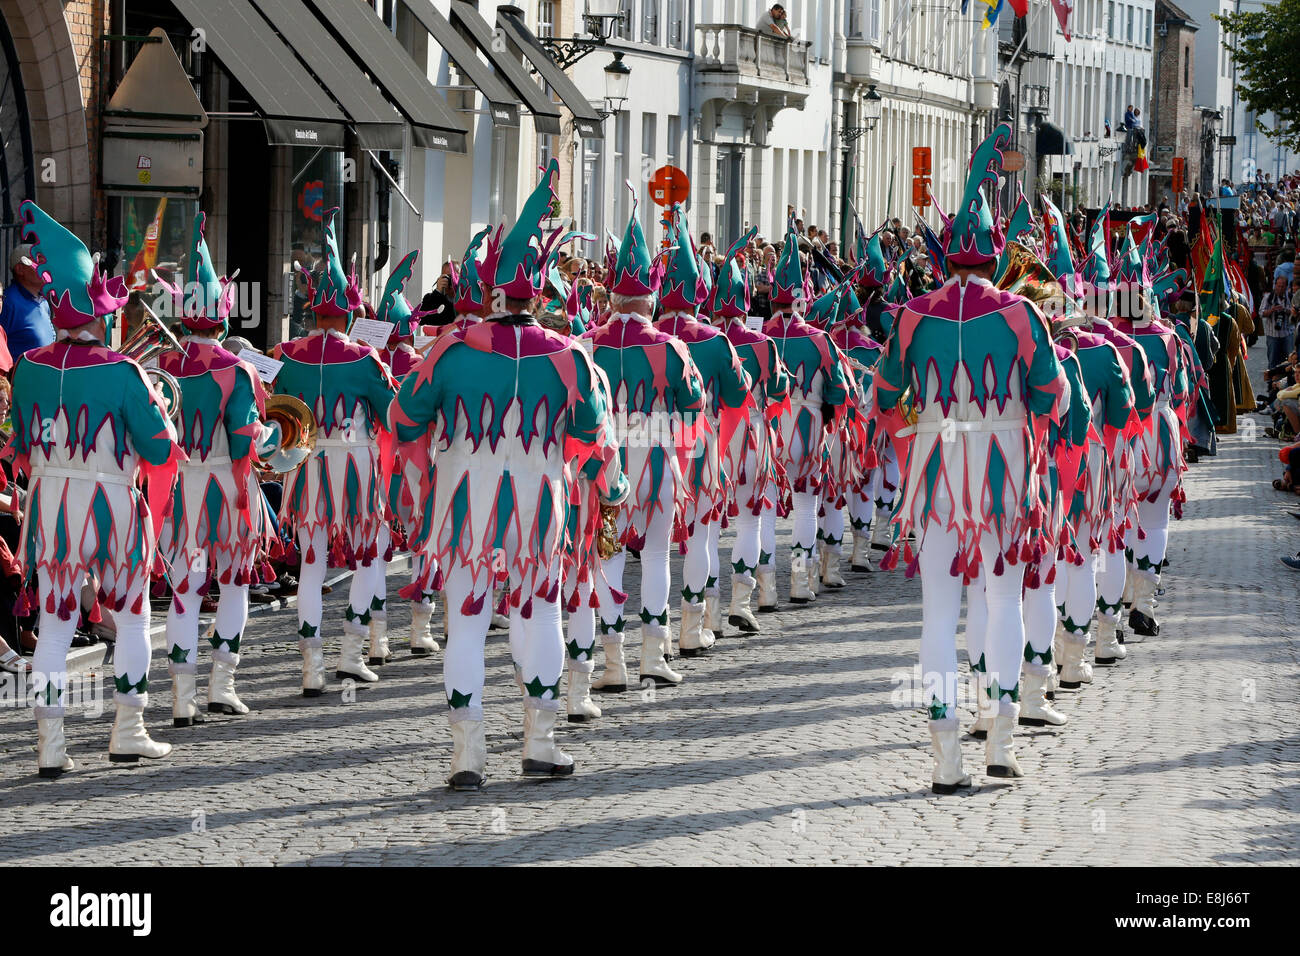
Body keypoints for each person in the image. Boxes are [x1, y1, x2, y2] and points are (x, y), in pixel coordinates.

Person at [390, 160, 628, 789]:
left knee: (464, 621)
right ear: (540, 293)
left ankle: (467, 755)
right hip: (540, 504)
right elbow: (592, 435)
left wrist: (431, 456)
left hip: (462, 504)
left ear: (490, 290)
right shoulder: (570, 358)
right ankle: (540, 744)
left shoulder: (450, 352)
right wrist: (614, 489)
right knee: (540, 614)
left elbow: (404, 415)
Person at [870, 124, 1068, 792]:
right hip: (1005, 474)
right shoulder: (1020, 315)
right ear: (994, 257)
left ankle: (946, 756)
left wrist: (916, 441)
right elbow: (1052, 396)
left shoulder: (910, 316)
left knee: (937, 614)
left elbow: (884, 397)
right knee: (1004, 601)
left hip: (936, 476)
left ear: (946, 257)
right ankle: (1003, 739)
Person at [13, 200, 185, 777]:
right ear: (97, 314)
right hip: (110, 502)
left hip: (50, 503)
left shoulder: (30, 367)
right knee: (133, 616)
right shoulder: (122, 370)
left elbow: (18, 439)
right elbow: (160, 450)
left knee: (58, 619)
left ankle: (50, 744)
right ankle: (128, 730)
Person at [271, 208, 399, 696]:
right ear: (348, 313)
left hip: (306, 462)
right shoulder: (366, 357)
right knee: (368, 556)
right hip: (355, 463)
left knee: (312, 561)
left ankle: (311, 667)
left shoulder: (287, 355)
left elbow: (273, 409)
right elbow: (391, 416)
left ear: (312, 312)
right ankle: (351, 653)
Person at [155, 212, 273, 726]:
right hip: (228, 484)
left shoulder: (162, 360)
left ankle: (181, 699)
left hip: (180, 483)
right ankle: (222, 686)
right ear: (223, 318)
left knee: (185, 586)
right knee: (236, 581)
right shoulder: (236, 368)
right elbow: (248, 439)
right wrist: (273, 440)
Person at [586, 186, 704, 689]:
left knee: (608, 555)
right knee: (656, 554)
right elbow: (694, 403)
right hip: (655, 455)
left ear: (612, 298)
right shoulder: (671, 346)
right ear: (651, 298)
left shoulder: (586, 342)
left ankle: (611, 662)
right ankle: (652, 656)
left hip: (608, 460)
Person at [654, 205, 751, 655]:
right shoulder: (715, 341)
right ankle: (693, 627)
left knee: (633, 545)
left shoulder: (649, 336)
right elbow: (736, 396)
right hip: (700, 444)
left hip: (645, 444)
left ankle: (629, 645)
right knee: (700, 533)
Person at [762, 229, 850, 606]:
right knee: (805, 506)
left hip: (765, 430)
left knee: (762, 509)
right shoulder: (820, 340)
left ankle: (763, 590)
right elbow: (839, 392)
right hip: (808, 431)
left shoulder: (755, 338)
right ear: (801, 299)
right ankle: (800, 581)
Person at [0, 243, 54, 357]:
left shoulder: (43, 302)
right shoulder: (7, 302)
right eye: (38, 261)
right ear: (20, 269)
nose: (45, 267)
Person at [1261, 274, 1294, 368]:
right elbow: (1261, 313)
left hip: (1287, 334)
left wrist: (1285, 310)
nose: (1280, 288)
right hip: (1273, 335)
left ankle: (1289, 381)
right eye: (1278, 286)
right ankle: (1272, 382)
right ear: (1275, 285)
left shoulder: (1291, 297)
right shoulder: (1268, 297)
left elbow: (1295, 313)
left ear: (1286, 287)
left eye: (1282, 286)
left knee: (1290, 360)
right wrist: (1272, 310)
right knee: (1272, 361)